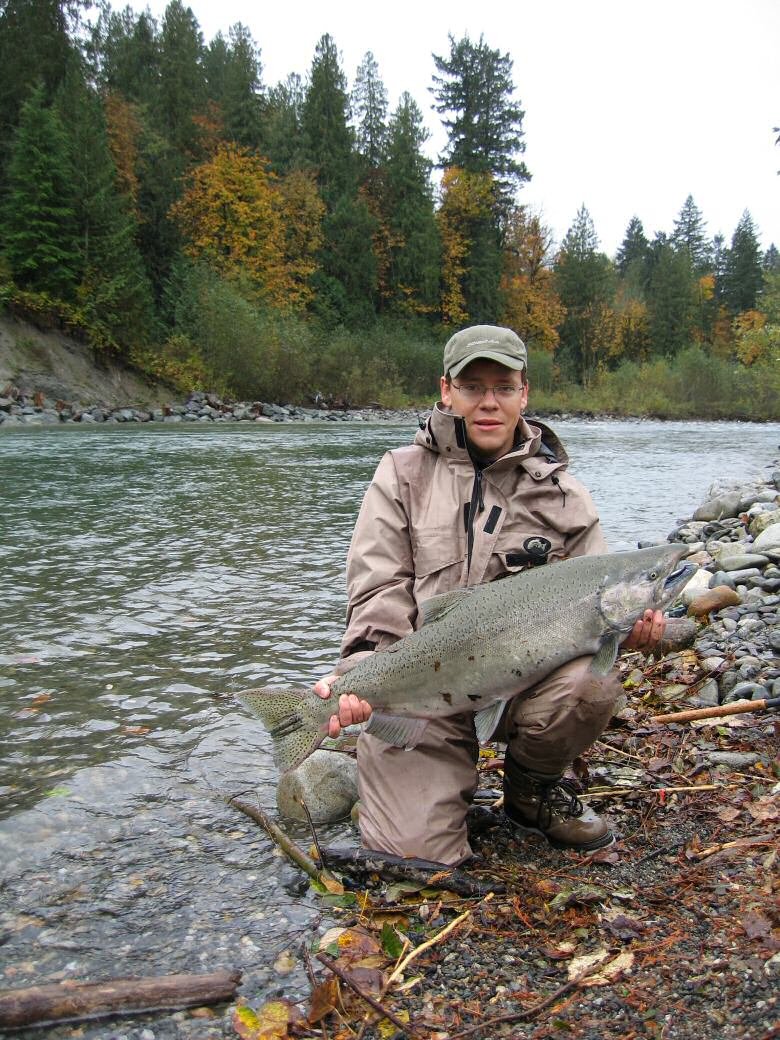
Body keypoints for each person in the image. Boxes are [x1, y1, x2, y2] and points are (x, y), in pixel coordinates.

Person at [315, 325, 665, 866]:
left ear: (524, 393)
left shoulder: (564, 496)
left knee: (594, 682)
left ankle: (533, 790)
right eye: (472, 386)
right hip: (421, 692)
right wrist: (362, 671)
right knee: (415, 862)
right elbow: (377, 586)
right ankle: (418, 777)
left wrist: (632, 633)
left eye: (503, 387)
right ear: (446, 390)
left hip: (520, 688)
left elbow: (601, 603)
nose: (488, 402)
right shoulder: (401, 476)